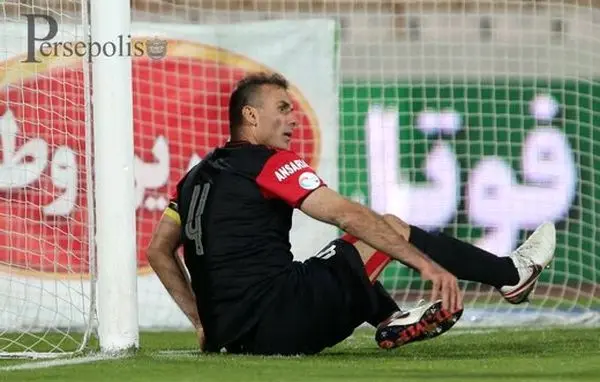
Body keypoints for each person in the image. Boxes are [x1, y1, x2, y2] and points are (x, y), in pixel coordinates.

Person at [146, 72, 556, 355]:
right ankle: (511, 275)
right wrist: (427, 266)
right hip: (284, 318)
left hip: (232, 337)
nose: (292, 119)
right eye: (283, 108)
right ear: (250, 116)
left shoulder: (192, 179)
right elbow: (347, 216)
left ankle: (392, 319)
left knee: (335, 259)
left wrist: (201, 322)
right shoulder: (270, 162)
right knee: (385, 228)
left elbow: (158, 251)